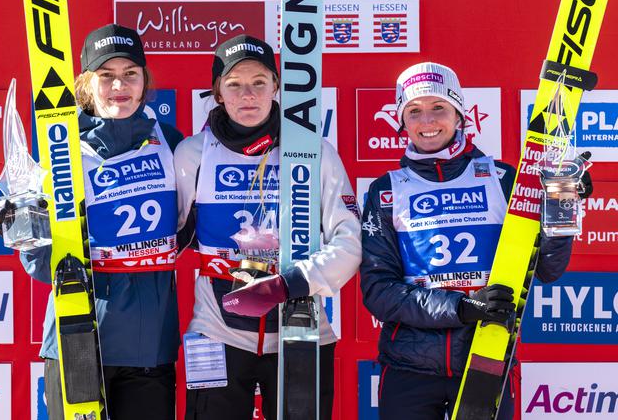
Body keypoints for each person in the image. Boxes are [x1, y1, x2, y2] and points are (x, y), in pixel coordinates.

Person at [359, 62, 581, 420]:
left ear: (459, 114)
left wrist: (562, 203)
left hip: (487, 355)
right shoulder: (387, 190)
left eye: (439, 109)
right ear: (401, 121)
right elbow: (379, 292)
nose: (427, 122)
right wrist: (460, 307)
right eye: (414, 111)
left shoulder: (501, 179)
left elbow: (549, 268)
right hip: (408, 368)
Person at [0, 24, 182, 420]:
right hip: (76, 337)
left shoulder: (170, 142)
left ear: (145, 81)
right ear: (86, 84)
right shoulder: (60, 151)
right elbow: (43, 265)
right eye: (107, 75)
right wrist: (23, 226)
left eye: (131, 74)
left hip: (150, 347)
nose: (120, 85)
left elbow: (190, 227)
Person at [175, 34, 361, 420]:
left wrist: (288, 282)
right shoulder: (193, 154)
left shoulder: (314, 151)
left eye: (259, 82)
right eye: (235, 84)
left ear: (276, 86)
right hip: (215, 330)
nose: (248, 94)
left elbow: (349, 240)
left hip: (302, 326)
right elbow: (166, 237)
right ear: (217, 92)